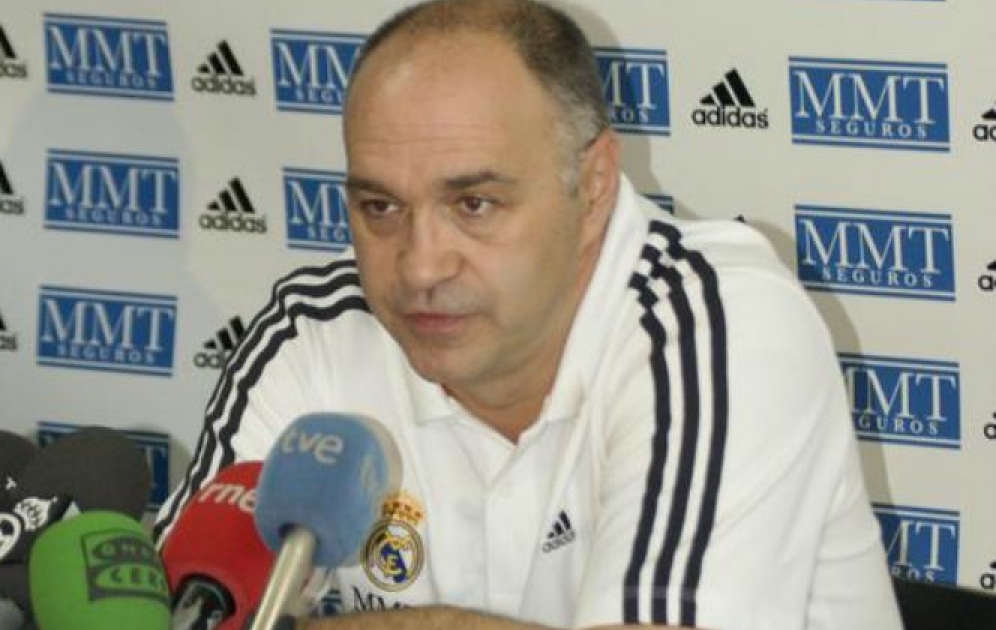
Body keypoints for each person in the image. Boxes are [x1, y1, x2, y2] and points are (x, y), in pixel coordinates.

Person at [156, 0, 902, 628]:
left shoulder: (719, 323)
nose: (420, 267)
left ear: (594, 184)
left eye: (474, 204)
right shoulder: (314, 335)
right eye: (380, 207)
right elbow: (190, 609)